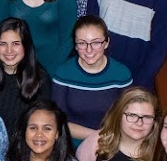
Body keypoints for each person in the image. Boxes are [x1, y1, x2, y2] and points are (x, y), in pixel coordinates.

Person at [53, 15, 132, 149]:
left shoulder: (121, 74)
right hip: (72, 144)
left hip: (111, 143)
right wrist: (97, 136)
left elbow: (127, 118)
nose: (89, 50)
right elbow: (58, 122)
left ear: (106, 43)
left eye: (96, 42)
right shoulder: (63, 73)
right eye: (82, 43)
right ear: (75, 45)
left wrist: (107, 141)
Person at [0, 17, 51, 135]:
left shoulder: (40, 79)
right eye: (3, 44)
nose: (9, 50)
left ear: (26, 46)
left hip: (19, 148)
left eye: (16, 44)